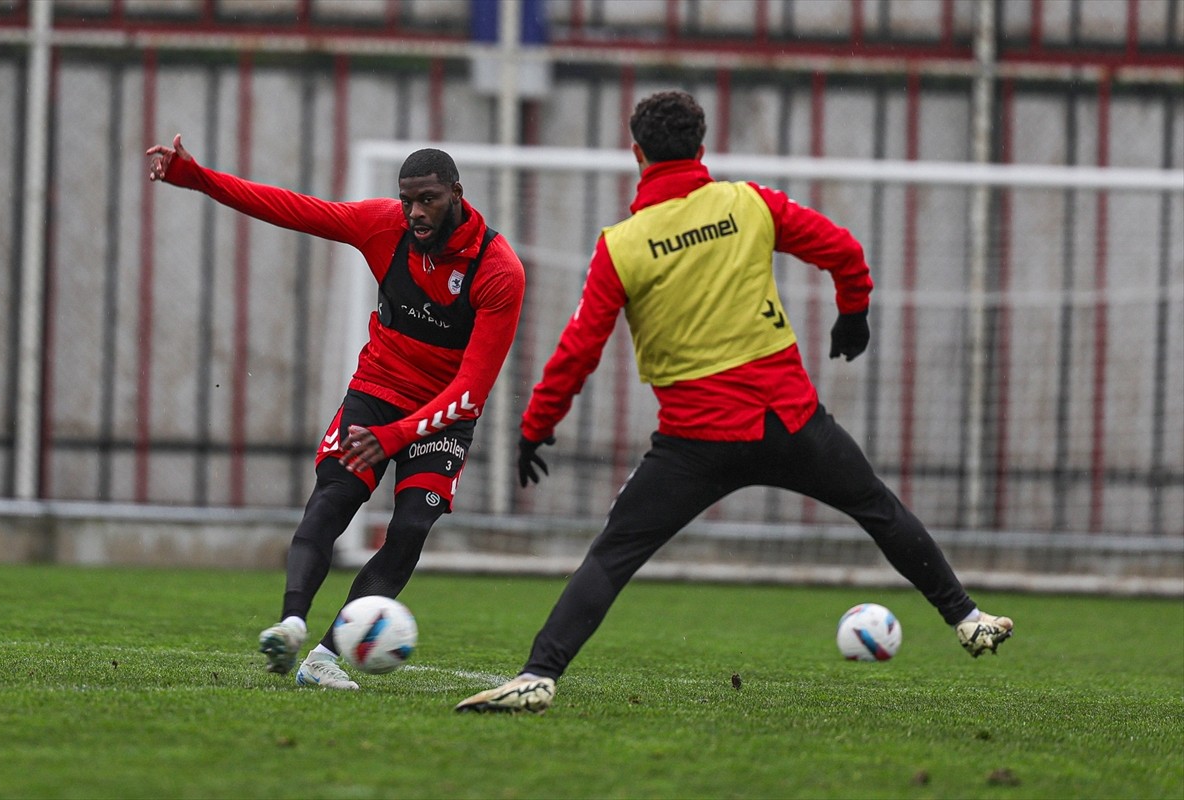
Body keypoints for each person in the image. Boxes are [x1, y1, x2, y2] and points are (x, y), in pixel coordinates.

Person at [455, 90, 1012, 714]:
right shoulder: (748, 204)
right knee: (875, 506)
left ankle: (539, 675)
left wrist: (536, 426)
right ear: (701, 148)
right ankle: (966, 617)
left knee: (613, 555)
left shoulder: (624, 245)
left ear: (636, 154)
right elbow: (845, 252)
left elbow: (578, 350)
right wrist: (853, 315)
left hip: (696, 444)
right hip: (791, 422)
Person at [147, 135, 525, 690]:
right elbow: (291, 208)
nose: (416, 213)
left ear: (457, 194)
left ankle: (324, 657)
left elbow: (470, 391)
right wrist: (196, 176)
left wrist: (395, 437)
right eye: (408, 200)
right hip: (378, 388)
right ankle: (292, 624)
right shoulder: (383, 227)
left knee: (411, 528)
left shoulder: (498, 270)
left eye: (429, 199)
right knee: (333, 498)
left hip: (441, 413)